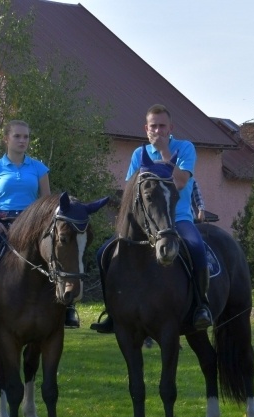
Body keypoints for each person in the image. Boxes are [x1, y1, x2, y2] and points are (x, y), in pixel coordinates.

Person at [91, 104, 212, 333]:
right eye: (153, 126)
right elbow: (130, 190)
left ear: (171, 128)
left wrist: (165, 152)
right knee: (102, 253)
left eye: (162, 126)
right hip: (145, 223)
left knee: (196, 248)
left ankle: (201, 305)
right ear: (146, 129)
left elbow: (181, 182)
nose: (158, 131)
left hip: (178, 218)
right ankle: (112, 312)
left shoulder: (185, 148)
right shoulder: (139, 154)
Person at [0, 120, 82, 333]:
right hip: (3, 225)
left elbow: (48, 203)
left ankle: (68, 309)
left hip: (33, 226)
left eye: (26, 137)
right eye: (17, 136)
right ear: (6, 139)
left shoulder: (39, 168)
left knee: (62, 257)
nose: (22, 141)